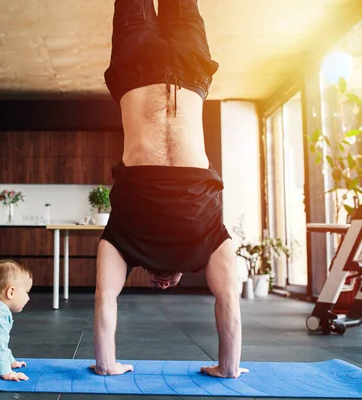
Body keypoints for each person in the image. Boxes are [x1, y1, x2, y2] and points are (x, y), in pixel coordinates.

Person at [93, 0, 248, 379]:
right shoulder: (135, 237)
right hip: (175, 72)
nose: (162, 283)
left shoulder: (134, 237)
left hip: (148, 70)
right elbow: (227, 298)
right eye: (166, 282)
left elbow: (104, 299)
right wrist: (106, 364)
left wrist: (229, 368)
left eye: (156, 281)